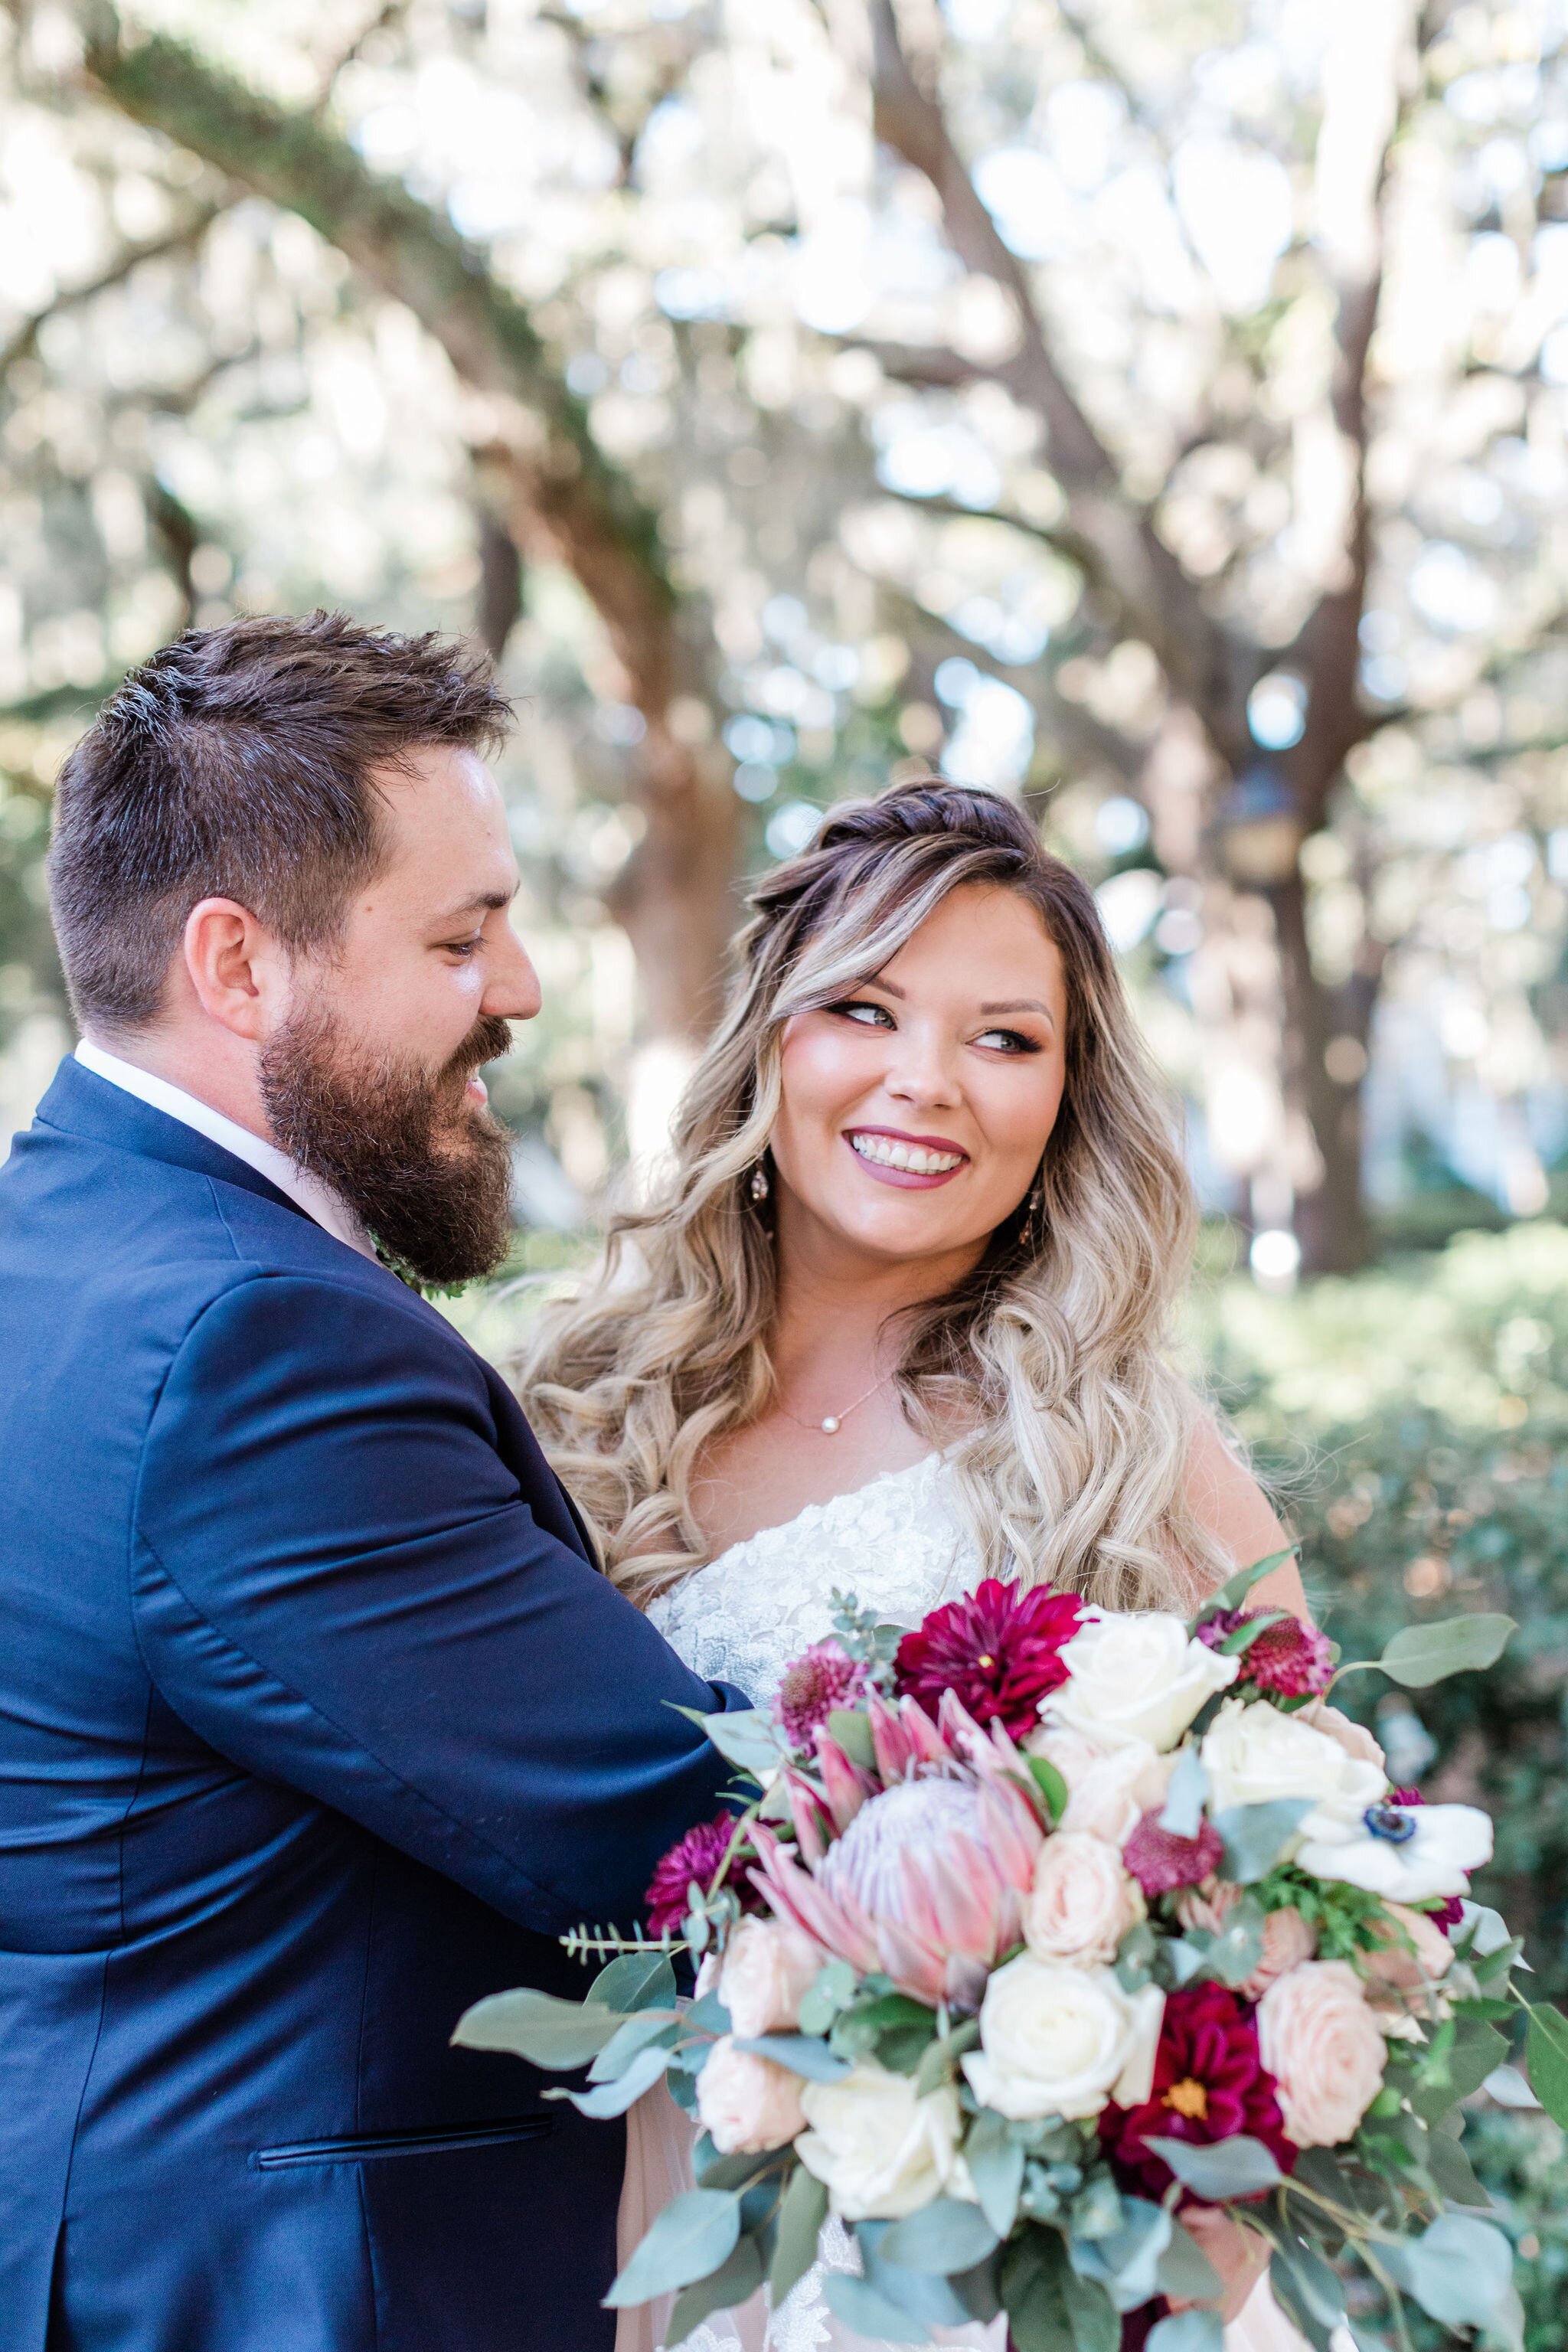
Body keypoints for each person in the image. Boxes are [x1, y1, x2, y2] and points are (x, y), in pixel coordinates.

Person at [0, 612, 746, 2352]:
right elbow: (680, 1831)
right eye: (461, 934)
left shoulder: (49, 1248)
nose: (523, 987)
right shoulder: (260, 1350)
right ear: (240, 967)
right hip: (304, 2295)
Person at [519, 777, 1314, 2352]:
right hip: (686, 2243)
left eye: (1005, 1038)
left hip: (1045, 2282)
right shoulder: (577, 1425)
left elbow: (1293, 1886)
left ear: (1067, 1098)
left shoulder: (1125, 1450)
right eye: (864, 1010)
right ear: (770, 1042)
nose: (927, 1081)